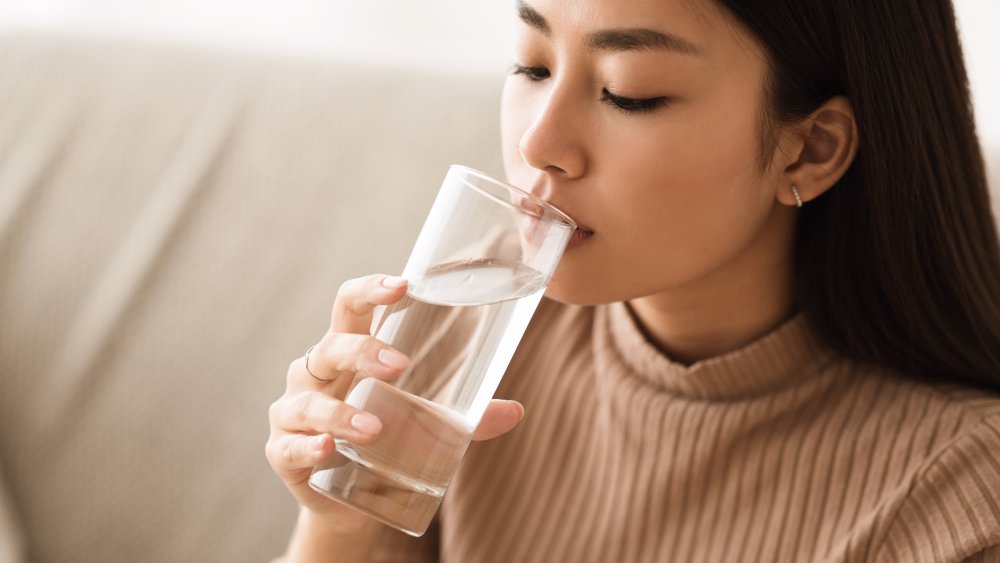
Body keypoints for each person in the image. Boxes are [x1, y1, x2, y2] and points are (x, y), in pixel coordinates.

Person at [266, 0, 1000, 561]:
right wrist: (339, 526)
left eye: (629, 93)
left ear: (809, 149)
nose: (538, 145)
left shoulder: (957, 493)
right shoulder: (471, 312)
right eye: (533, 66)